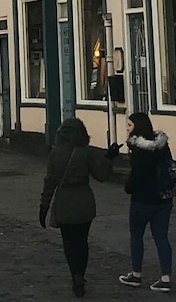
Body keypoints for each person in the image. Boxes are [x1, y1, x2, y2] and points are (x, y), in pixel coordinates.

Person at [39, 117, 120, 298]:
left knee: (68, 241)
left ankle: (74, 273)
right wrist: (109, 158)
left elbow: (49, 182)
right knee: (82, 240)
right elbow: (101, 176)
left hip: (65, 201)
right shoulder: (87, 153)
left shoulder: (55, 154)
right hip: (84, 200)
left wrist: (44, 206)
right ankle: (80, 274)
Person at [118, 111, 175, 293]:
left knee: (136, 236)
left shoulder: (140, 151)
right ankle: (166, 277)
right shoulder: (162, 146)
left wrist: (128, 187)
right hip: (163, 198)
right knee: (162, 237)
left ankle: (136, 274)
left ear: (137, 127)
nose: (127, 129)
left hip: (143, 200)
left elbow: (137, 176)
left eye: (129, 125)